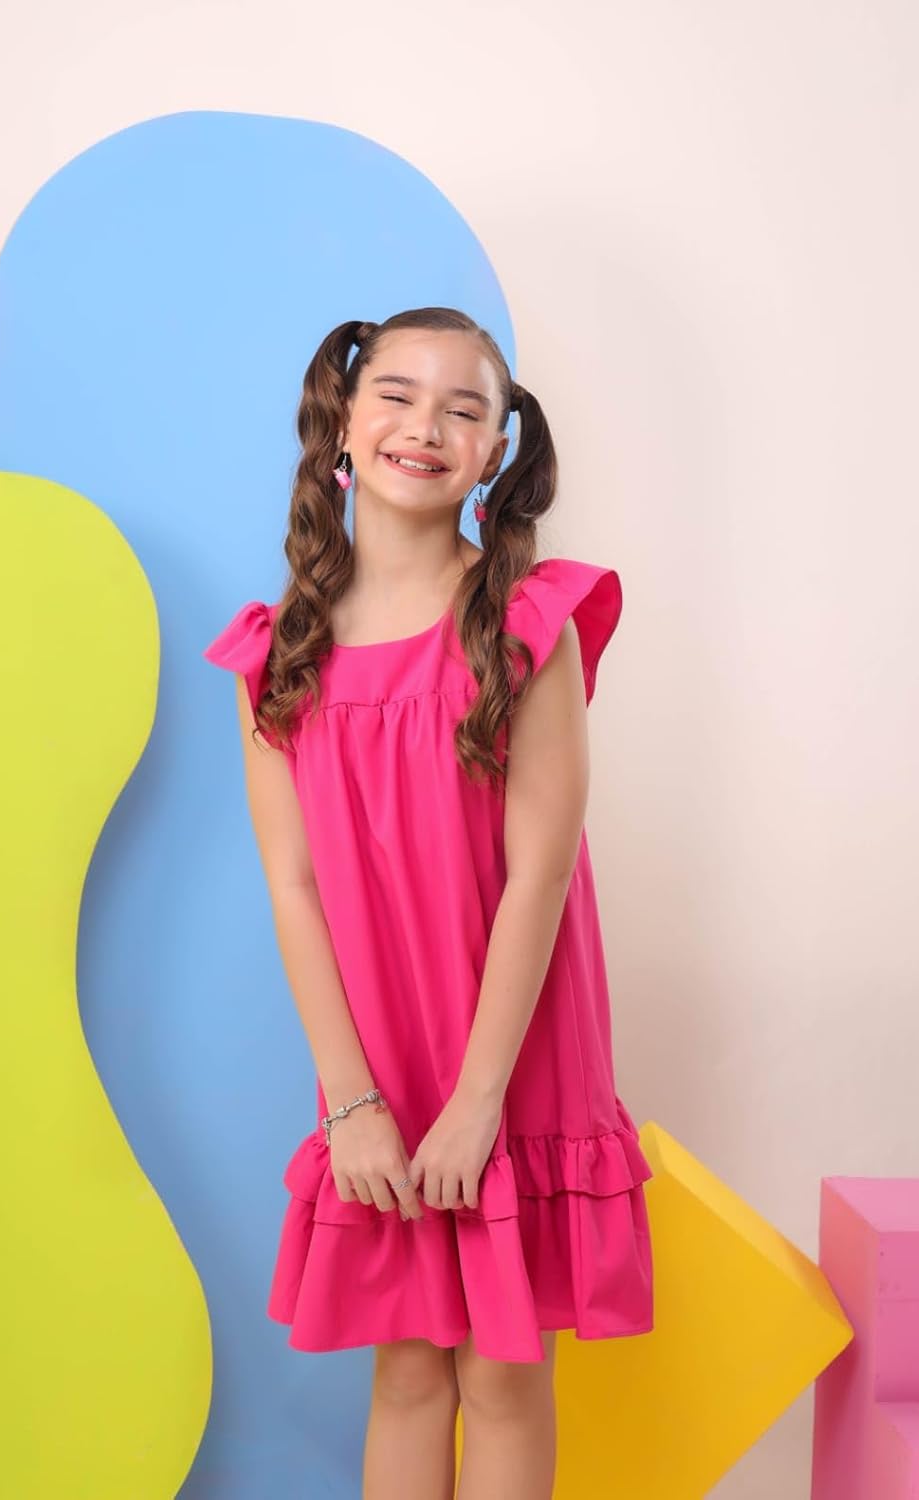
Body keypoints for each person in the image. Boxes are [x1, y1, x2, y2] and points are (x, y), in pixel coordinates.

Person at [204, 307, 654, 1500]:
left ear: (497, 449)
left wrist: (479, 1100)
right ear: (344, 425)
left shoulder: (526, 625)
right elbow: (294, 886)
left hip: (516, 1047)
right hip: (377, 1061)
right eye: (398, 395)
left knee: (502, 1371)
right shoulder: (277, 657)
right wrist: (353, 1103)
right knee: (406, 1368)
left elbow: (541, 871)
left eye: (466, 409)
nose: (427, 426)